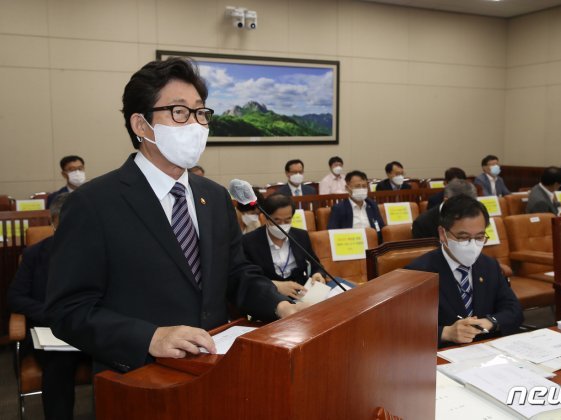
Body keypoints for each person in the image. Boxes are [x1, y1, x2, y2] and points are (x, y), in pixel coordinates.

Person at [45, 57, 303, 374]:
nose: (196, 125)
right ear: (141, 125)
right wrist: (150, 337)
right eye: (180, 112)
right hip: (141, 378)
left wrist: (279, 305)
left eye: (200, 113)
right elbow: (68, 310)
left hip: (215, 366)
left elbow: (236, 273)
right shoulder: (93, 203)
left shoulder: (214, 196)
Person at [8, 193, 91, 420]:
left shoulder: (97, 251)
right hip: (50, 332)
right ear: (52, 222)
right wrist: (51, 313)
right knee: (59, 364)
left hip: (89, 327)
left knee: (118, 354)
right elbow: (15, 297)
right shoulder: (34, 254)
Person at [405, 195, 523, 348]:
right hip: (441, 353)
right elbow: (403, 328)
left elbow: (514, 311)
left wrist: (490, 322)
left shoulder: (489, 265)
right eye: (463, 238)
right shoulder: (418, 272)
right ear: (443, 234)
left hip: (486, 350)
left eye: (479, 237)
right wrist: (445, 333)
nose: (472, 245)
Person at [242, 194, 325, 299]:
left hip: (301, 294)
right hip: (269, 296)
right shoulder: (249, 241)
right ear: (266, 218)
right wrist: (274, 286)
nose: (282, 225)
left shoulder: (301, 236)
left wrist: (318, 274)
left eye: (287, 220)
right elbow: (248, 278)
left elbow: (316, 265)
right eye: (276, 220)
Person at [328, 170, 385, 242]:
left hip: (373, 244)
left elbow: (381, 228)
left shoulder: (372, 205)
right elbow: (332, 233)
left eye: (364, 186)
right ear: (347, 188)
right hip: (351, 244)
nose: (361, 189)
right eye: (357, 186)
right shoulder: (339, 208)